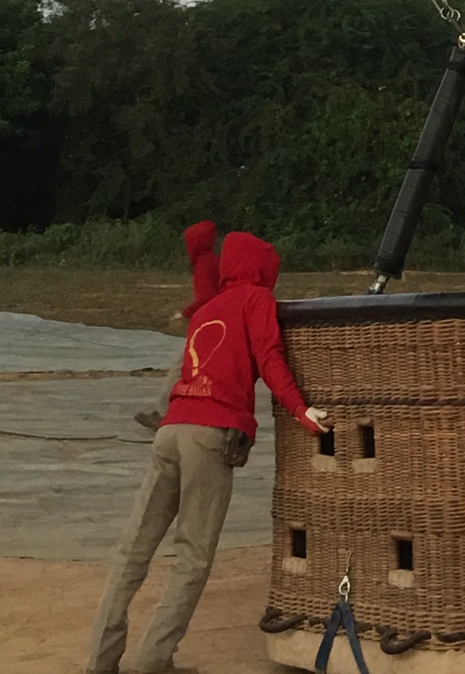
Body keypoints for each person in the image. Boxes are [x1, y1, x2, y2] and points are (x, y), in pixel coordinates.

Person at [85, 231, 329, 674]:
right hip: (210, 435)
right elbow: (270, 356)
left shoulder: (208, 308)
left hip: (171, 430)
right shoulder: (256, 301)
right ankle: (153, 659)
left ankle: (100, 660)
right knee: (192, 557)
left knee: (132, 551)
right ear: (259, 266)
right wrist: (301, 408)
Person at [136, 220, 224, 432]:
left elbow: (206, 298)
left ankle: (165, 414)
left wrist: (183, 314)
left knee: (181, 368)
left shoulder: (204, 265)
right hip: (219, 324)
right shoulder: (212, 261)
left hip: (207, 326)